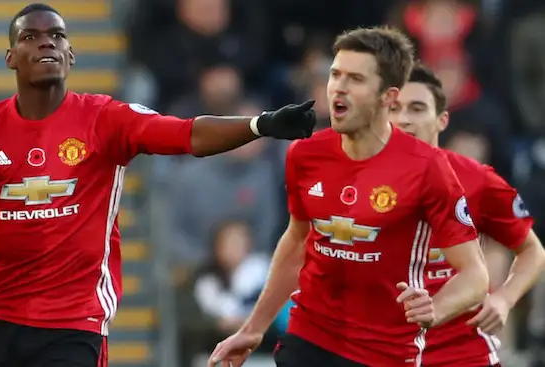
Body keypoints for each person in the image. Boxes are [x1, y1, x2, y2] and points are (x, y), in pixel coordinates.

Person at [0, 4, 317, 367]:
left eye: (58, 35)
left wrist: (259, 125)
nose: (46, 41)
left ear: (71, 55)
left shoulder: (104, 119)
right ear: (11, 57)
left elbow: (186, 133)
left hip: (72, 324)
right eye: (30, 36)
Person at [208, 26, 490, 367]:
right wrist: (253, 328)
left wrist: (437, 308)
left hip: (385, 351)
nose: (339, 87)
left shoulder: (427, 168)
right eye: (335, 74)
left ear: (388, 96)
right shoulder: (304, 154)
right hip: (309, 335)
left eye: (355, 78)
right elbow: (297, 241)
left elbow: (475, 274)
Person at [390, 63, 545, 367]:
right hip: (379, 350)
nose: (403, 119)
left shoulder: (477, 180)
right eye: (394, 108)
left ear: (441, 120)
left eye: (417, 108)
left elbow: (533, 251)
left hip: (461, 353)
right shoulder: (354, 177)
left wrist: (504, 298)